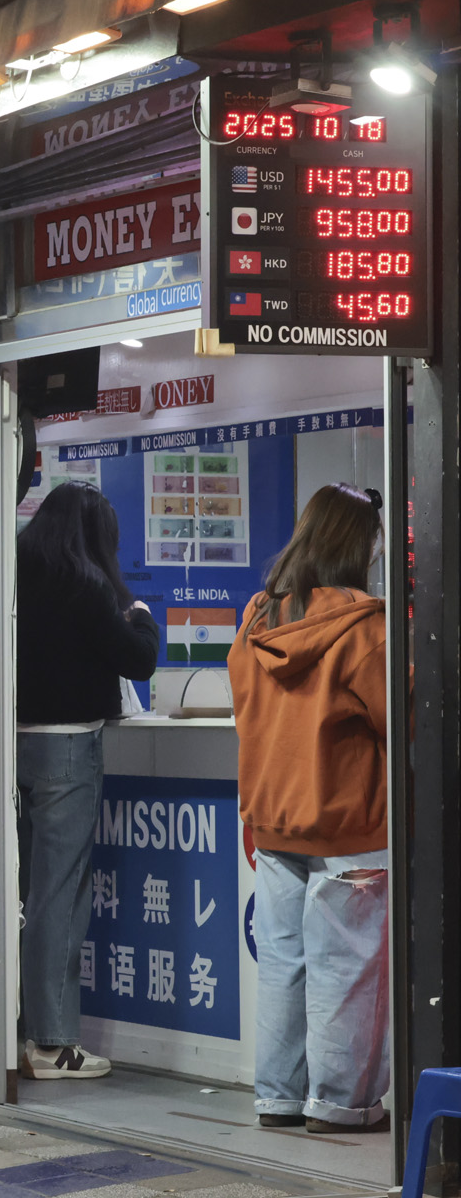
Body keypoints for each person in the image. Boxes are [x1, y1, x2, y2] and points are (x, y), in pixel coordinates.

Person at [229, 484, 389, 1133]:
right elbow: (404, 714)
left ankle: (277, 1097)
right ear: (361, 544)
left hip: (272, 818)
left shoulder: (259, 618)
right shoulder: (366, 627)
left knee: (285, 963)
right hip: (346, 821)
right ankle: (341, 1105)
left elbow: (245, 705)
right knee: (343, 965)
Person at [14, 482, 159, 1081]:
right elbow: (139, 660)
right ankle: (52, 1043)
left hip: (13, 747)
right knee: (58, 896)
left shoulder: (15, 578)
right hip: (69, 750)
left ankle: (18, 1030)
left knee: (21, 892)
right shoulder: (88, 587)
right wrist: (144, 618)